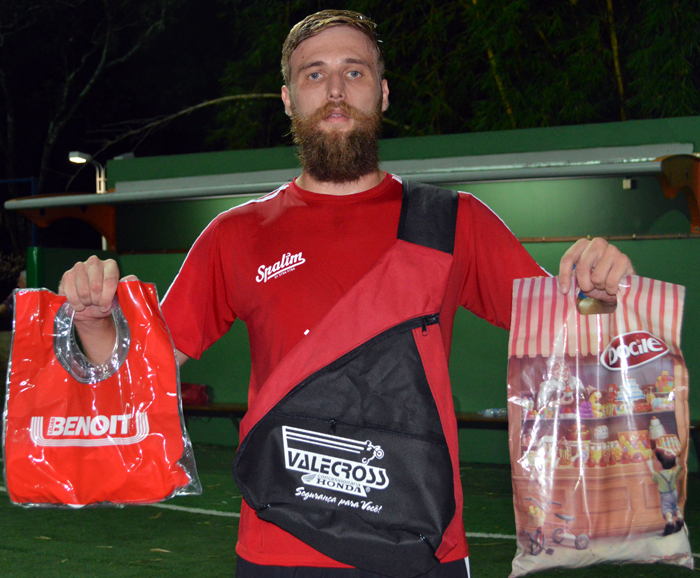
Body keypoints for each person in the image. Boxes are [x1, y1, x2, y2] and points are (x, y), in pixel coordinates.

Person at [58, 10, 634, 577]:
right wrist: (91, 323)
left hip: (422, 544)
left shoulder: (452, 221)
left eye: (354, 72)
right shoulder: (235, 234)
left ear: (382, 94)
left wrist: (601, 293)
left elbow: (575, 338)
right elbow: (141, 370)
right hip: (278, 548)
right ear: (288, 99)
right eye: (314, 74)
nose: (335, 89)